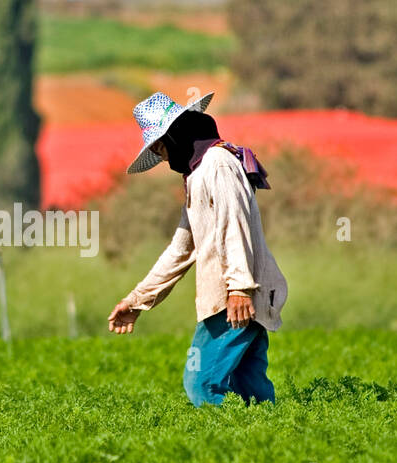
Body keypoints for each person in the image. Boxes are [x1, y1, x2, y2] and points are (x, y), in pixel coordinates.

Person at [107, 92, 288, 405]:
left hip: (235, 299)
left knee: (200, 383)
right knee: (251, 391)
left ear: (175, 135)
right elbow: (180, 250)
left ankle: (222, 449)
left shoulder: (218, 164)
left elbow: (235, 224)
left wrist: (240, 289)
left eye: (161, 149)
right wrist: (138, 300)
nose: (163, 159)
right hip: (236, 297)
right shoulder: (197, 176)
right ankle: (269, 443)